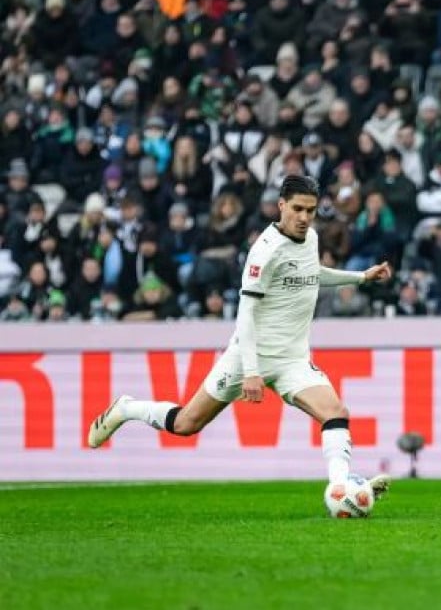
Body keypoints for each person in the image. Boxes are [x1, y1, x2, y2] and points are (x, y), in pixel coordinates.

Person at [86, 175, 395, 502]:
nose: (304, 217)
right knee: (187, 423)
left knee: (336, 412)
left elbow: (311, 273)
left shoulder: (311, 238)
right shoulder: (265, 251)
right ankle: (128, 408)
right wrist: (251, 370)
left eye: (311, 210)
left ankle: (340, 487)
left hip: (292, 360)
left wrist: (360, 277)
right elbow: (245, 315)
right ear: (281, 206)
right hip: (249, 356)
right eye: (297, 209)